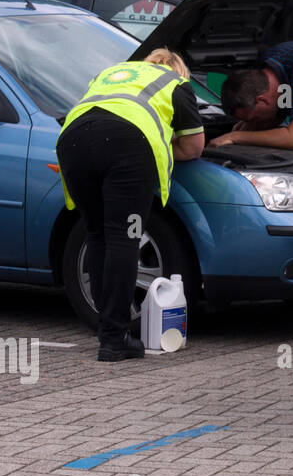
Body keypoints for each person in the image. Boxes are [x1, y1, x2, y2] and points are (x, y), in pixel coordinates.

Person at [56, 48, 204, 361]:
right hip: (126, 145)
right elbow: (193, 147)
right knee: (125, 237)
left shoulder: (110, 75)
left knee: (97, 235)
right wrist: (160, 145)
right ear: (179, 70)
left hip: (72, 142)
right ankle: (114, 340)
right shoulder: (176, 84)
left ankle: (107, 329)